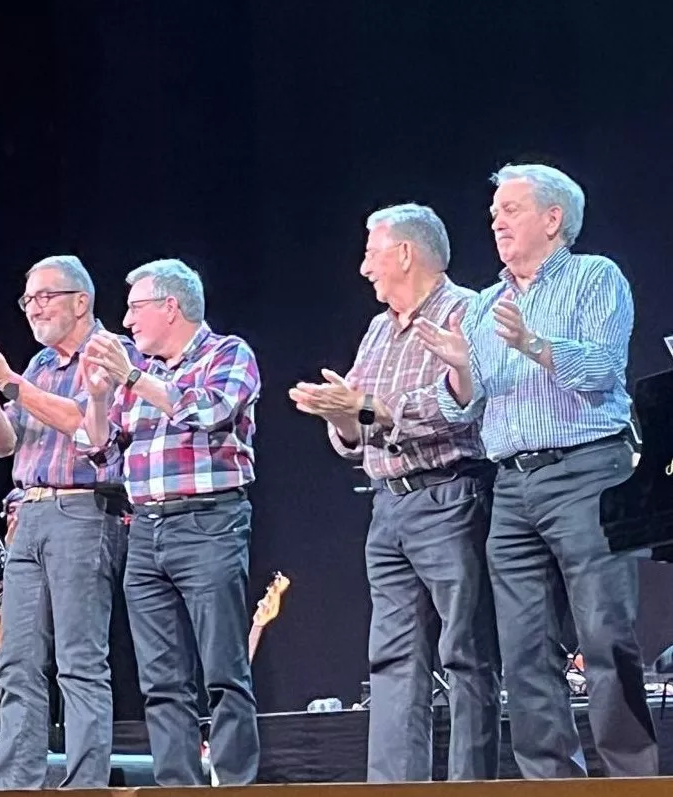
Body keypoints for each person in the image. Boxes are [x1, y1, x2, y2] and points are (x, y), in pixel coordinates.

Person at [416, 163, 658, 778]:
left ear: (553, 219)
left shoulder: (595, 277)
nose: (495, 221)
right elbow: (463, 405)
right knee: (524, 650)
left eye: (511, 209)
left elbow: (601, 371)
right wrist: (460, 367)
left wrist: (532, 343)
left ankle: (633, 780)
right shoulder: (484, 305)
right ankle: (550, 783)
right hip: (512, 485)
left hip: (588, 473)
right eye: (493, 212)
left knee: (604, 635)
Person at [290, 204, 500, 782]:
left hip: (451, 496)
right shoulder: (379, 329)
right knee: (391, 661)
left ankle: (471, 788)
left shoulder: (468, 311)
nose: (363, 268)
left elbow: (460, 407)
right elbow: (358, 430)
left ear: (405, 253)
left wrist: (370, 410)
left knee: (466, 654)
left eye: (371, 253)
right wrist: (341, 416)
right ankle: (393, 790)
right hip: (387, 504)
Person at [0, 255, 131, 788]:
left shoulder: (113, 353)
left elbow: (85, 426)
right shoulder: (42, 365)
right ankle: (15, 784)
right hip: (29, 513)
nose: (34, 308)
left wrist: (8, 380)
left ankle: (85, 784)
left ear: (81, 301)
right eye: (28, 299)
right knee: (16, 660)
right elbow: (4, 443)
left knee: (79, 660)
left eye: (46, 296)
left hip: (84, 510)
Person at [78, 259, 261, 786]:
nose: (127, 321)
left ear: (170, 307)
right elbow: (100, 448)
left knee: (223, 670)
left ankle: (235, 784)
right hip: (145, 528)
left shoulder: (228, 353)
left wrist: (133, 377)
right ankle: (178, 786)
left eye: (135, 308)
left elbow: (209, 411)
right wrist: (99, 397)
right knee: (161, 680)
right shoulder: (138, 372)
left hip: (208, 523)